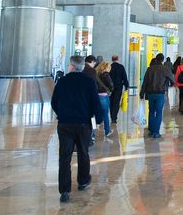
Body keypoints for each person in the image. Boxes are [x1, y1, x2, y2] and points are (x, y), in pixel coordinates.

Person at [51, 55, 105, 203]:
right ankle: (83, 180)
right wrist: (98, 119)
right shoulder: (88, 82)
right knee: (83, 152)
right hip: (83, 124)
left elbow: (54, 102)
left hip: (65, 124)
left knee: (65, 156)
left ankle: (65, 190)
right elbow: (95, 103)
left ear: (72, 66)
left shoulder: (62, 81)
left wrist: (62, 113)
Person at [141, 53, 174, 138]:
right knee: (159, 112)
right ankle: (156, 132)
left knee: (151, 111)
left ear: (156, 59)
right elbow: (172, 80)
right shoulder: (165, 69)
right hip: (160, 93)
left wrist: (142, 93)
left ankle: (151, 131)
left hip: (151, 94)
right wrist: (168, 84)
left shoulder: (150, 69)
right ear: (163, 60)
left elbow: (145, 82)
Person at [108, 55, 129, 124]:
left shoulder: (109, 67)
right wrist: (126, 86)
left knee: (111, 102)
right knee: (116, 102)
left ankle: (111, 116)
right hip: (118, 87)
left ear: (112, 60)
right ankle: (114, 118)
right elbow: (124, 77)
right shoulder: (121, 67)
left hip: (110, 87)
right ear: (118, 59)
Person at [96, 61, 114, 137]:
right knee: (105, 114)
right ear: (107, 67)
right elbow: (111, 85)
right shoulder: (106, 75)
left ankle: (93, 132)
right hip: (104, 96)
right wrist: (110, 90)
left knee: (94, 114)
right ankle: (107, 131)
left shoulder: (96, 75)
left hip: (96, 96)